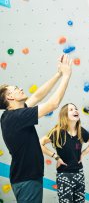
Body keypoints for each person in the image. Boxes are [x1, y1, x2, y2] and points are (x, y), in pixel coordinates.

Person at [0, 54, 72, 203]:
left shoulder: (12, 115)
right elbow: (53, 104)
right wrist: (66, 76)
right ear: (10, 98)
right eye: (15, 89)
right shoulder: (16, 117)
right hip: (27, 179)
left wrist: (58, 74)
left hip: (27, 178)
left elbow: (38, 95)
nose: (20, 88)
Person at [40, 103, 89, 203]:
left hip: (79, 174)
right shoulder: (58, 132)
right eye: (71, 109)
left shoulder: (80, 131)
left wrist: (83, 153)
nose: (75, 110)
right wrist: (55, 157)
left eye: (76, 108)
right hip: (64, 175)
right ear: (65, 115)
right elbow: (40, 144)